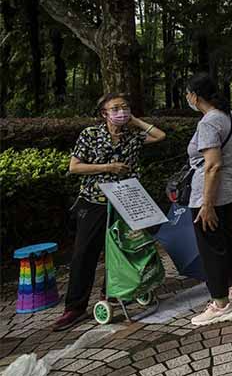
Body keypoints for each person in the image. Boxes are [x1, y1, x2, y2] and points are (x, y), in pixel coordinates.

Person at [52, 93, 167, 331]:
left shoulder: (133, 135)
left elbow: (160, 135)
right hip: (94, 201)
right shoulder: (90, 135)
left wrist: (134, 120)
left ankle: (114, 292)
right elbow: (74, 167)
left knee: (125, 249)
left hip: (126, 200)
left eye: (125, 107)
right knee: (84, 253)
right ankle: (75, 307)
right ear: (104, 113)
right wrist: (108, 167)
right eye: (115, 108)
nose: (121, 111)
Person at [184, 73, 232, 326]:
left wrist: (206, 204)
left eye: (187, 94)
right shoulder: (229, 116)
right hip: (230, 190)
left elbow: (212, 165)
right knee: (230, 240)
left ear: (195, 96)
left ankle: (220, 304)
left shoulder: (209, 122)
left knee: (211, 249)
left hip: (210, 193)